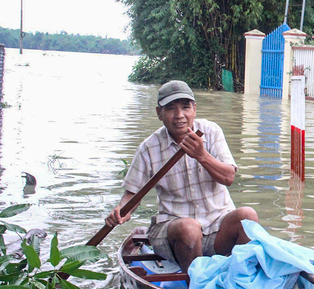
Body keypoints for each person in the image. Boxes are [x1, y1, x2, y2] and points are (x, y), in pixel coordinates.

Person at [106, 80, 258, 272]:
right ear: (159, 113)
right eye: (170, 109)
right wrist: (122, 210)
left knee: (248, 216)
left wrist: (202, 156)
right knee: (189, 227)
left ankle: (240, 279)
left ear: (194, 109)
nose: (179, 116)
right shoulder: (148, 148)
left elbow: (228, 178)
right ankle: (195, 284)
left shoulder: (211, 132)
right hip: (175, 232)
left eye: (185, 108)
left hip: (217, 227)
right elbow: (132, 194)